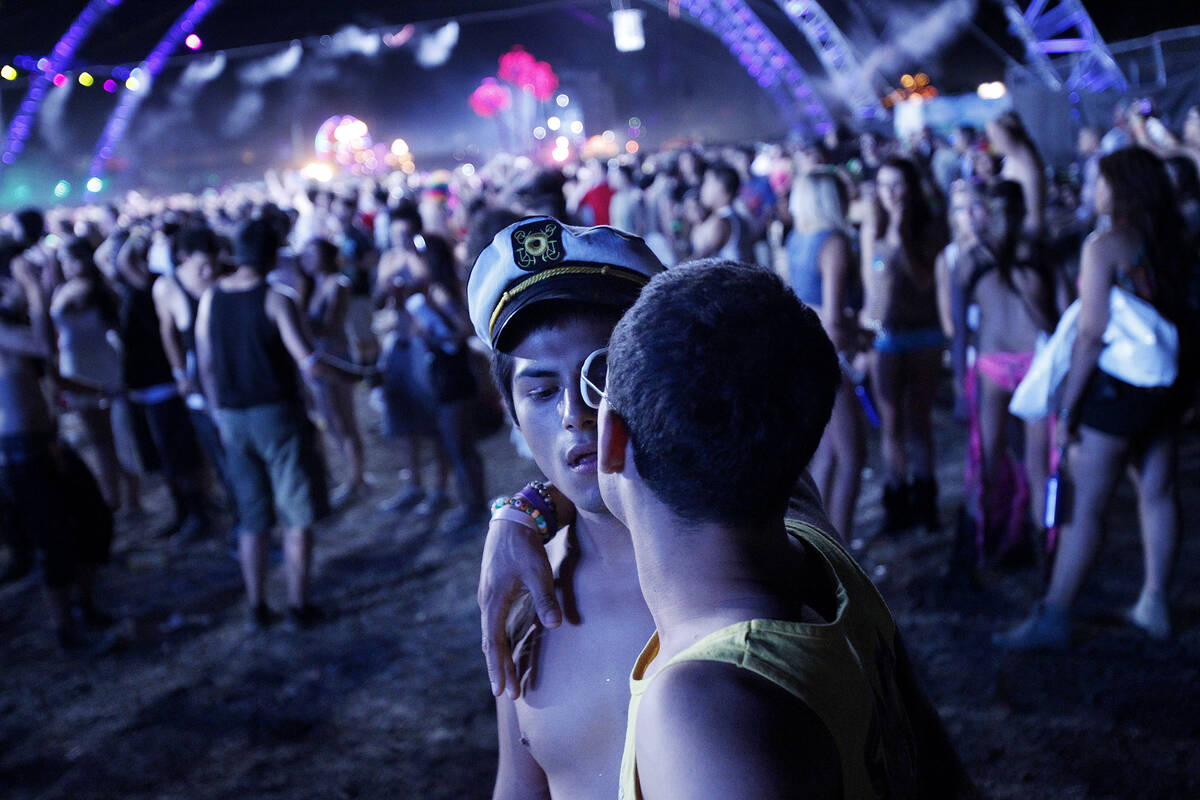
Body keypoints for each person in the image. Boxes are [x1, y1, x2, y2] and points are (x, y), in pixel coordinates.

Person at [592, 260, 972, 799]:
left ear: (609, 438)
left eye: (594, 391)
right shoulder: (816, 546)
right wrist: (523, 511)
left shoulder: (705, 707)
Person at [466, 216, 666, 798]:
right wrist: (520, 511)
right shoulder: (526, 584)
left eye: (600, 373)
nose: (575, 413)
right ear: (510, 412)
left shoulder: (735, 552)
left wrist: (522, 509)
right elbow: (519, 783)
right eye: (542, 389)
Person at [995, 148, 1188, 651]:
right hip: (1166, 384)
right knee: (1159, 490)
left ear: (1119, 188)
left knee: (1085, 506)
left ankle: (1055, 615)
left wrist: (1069, 406)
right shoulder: (1175, 237)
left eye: (1098, 181)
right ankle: (1155, 603)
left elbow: (1090, 333)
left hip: (1113, 392)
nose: (1091, 189)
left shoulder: (1104, 245)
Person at [196, 218, 348, 630]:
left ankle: (257, 606)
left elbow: (206, 365)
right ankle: (298, 606)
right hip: (277, 416)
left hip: (231, 418)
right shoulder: (277, 298)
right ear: (273, 253)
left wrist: (218, 414)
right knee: (296, 514)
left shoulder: (210, 299)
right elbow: (308, 362)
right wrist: (357, 373)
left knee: (252, 517)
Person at [0, 254, 113, 646]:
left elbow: (54, 375)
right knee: (54, 540)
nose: (23, 284)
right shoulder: (3, 333)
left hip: (49, 442)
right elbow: (46, 345)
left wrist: (97, 390)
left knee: (95, 519)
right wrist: (35, 290)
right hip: (21, 451)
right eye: (15, 280)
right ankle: (64, 628)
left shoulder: (15, 328)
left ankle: (86, 604)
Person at [957, 181, 1056, 566]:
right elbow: (1063, 319)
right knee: (1033, 465)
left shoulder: (973, 258)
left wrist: (959, 383)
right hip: (1029, 362)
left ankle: (983, 551)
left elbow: (961, 331)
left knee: (989, 461)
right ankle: (1041, 551)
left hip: (998, 364)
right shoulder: (1038, 255)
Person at [861, 157, 947, 532]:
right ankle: (897, 500)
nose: (891, 194)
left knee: (919, 422)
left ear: (911, 187)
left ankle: (926, 501)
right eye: (884, 185)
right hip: (885, 335)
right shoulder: (871, 226)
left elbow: (925, 280)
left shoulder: (929, 226)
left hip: (924, 332)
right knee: (891, 422)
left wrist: (899, 236)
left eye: (898, 185)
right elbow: (870, 281)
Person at [781, 168, 865, 541]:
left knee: (826, 457)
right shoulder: (834, 243)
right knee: (852, 457)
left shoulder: (797, 238)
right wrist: (862, 335)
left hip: (800, 350)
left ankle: (818, 543)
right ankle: (841, 552)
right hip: (830, 356)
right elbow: (832, 319)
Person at [152, 224, 239, 532]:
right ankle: (237, 518)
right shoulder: (167, 287)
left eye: (213, 263)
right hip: (199, 380)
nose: (208, 272)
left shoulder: (228, 279)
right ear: (182, 258)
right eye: (202, 265)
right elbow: (168, 332)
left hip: (234, 373)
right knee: (217, 451)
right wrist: (179, 373)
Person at [299, 237, 366, 506]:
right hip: (319, 359)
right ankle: (354, 474)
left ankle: (356, 479)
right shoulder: (310, 286)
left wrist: (295, 322)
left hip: (335, 358)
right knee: (330, 419)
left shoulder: (337, 285)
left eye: (313, 254)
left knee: (343, 419)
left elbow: (331, 326)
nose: (307, 260)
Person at [986, 111, 1046, 238]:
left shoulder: (1026, 161)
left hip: (1026, 228)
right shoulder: (1011, 159)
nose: (992, 142)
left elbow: (1035, 214)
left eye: (995, 137)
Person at [690, 161, 755, 263]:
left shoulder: (722, 222)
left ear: (720, 187)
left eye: (707, 182)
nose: (703, 189)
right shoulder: (735, 216)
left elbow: (696, 263)